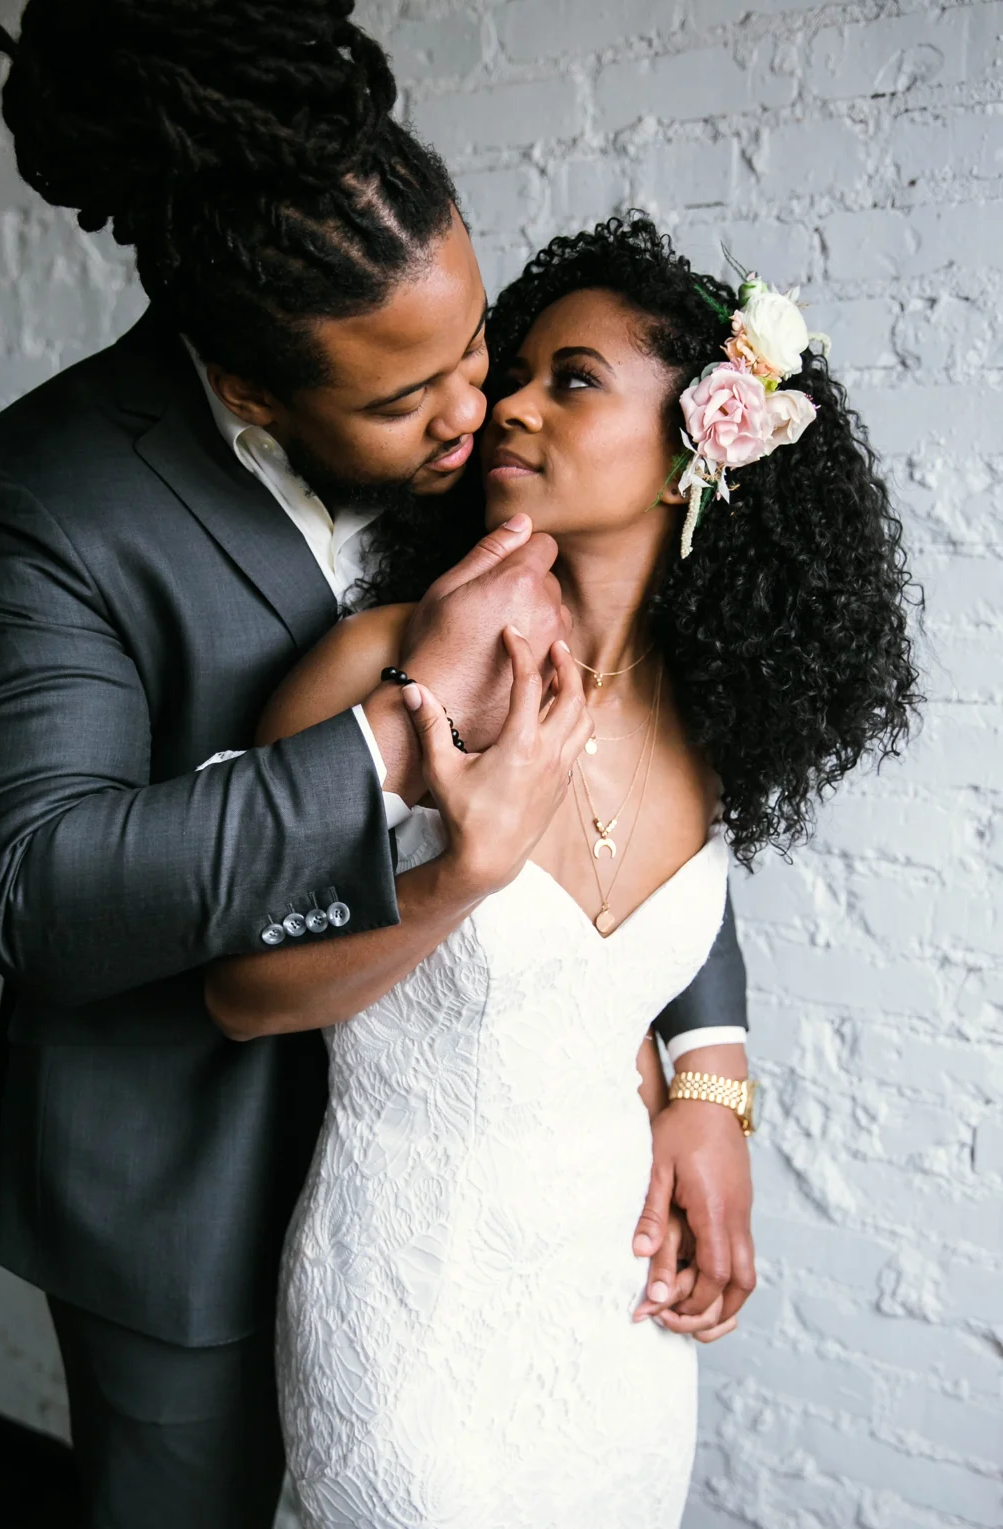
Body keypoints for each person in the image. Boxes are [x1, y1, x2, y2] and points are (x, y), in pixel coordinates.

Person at [0, 6, 759, 1523]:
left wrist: (709, 1072)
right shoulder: (50, 492)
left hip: (487, 1214)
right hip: (189, 1188)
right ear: (254, 389)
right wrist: (399, 728)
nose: (480, 417)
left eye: (481, 349)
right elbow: (45, 887)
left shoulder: (486, 406)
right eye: (413, 403)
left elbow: (641, 774)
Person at [210, 214, 918, 1525]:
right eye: (515, 373)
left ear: (702, 442)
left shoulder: (716, 725)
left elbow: (676, 948)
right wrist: (456, 878)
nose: (509, 407)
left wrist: (714, 1092)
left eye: (570, 379)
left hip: (616, 1299)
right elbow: (242, 993)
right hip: (405, 1286)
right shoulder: (382, 670)